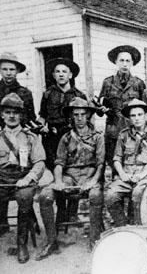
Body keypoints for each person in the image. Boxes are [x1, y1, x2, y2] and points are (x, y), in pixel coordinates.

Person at [35, 97, 105, 259]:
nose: (79, 118)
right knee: (45, 195)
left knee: (95, 195)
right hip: (70, 177)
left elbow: (101, 163)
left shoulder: (97, 137)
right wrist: (58, 181)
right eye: (76, 115)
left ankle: (94, 240)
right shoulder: (66, 137)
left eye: (83, 114)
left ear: (88, 115)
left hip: (89, 175)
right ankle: (51, 241)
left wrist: (94, 181)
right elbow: (59, 163)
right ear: (71, 117)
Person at [0, 93, 45, 263]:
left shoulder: (30, 137)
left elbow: (40, 162)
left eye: (16, 112)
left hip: (23, 180)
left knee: (24, 198)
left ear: (21, 115)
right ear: (2, 114)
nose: (11, 116)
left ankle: (22, 243)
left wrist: (29, 178)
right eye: (8, 112)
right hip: (2, 180)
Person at [105, 99, 147, 226]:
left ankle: (139, 227)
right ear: (129, 118)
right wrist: (121, 173)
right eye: (133, 115)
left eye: (140, 115)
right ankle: (123, 226)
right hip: (126, 176)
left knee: (138, 194)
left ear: (146, 116)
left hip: (146, 176)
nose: (137, 118)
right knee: (111, 196)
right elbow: (117, 158)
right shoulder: (124, 135)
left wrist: (142, 175)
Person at [0, 53, 37, 234]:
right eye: (5, 69)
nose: (8, 73)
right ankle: (2, 223)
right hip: (1, 140)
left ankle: (28, 219)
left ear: (17, 71)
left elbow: (30, 118)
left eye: (12, 69)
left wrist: (27, 133)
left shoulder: (25, 93)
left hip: (20, 140)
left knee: (23, 172)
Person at [98, 45, 146, 174]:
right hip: (113, 131)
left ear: (132, 63)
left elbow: (145, 109)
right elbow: (99, 107)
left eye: (128, 61)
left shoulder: (138, 83)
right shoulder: (108, 82)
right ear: (116, 62)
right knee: (114, 163)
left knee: (133, 162)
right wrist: (102, 108)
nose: (124, 64)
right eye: (121, 61)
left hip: (132, 130)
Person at [38, 57, 87, 170]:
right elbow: (42, 116)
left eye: (64, 71)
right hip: (52, 136)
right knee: (53, 165)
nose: (61, 74)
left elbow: (85, 118)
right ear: (54, 75)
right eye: (57, 71)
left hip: (73, 135)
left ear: (70, 75)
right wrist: (40, 127)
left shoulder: (79, 95)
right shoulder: (47, 94)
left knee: (72, 164)